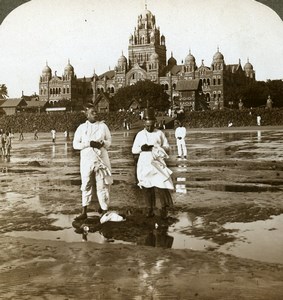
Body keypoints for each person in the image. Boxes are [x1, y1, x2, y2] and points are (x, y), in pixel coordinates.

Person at [132, 107, 174, 218]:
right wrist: (142, 148)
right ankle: (149, 208)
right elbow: (134, 150)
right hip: (145, 164)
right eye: (147, 126)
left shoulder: (159, 133)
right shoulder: (140, 135)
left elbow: (167, 147)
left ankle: (164, 208)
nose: (149, 128)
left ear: (155, 123)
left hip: (157, 163)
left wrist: (157, 148)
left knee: (161, 184)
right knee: (147, 186)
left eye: (151, 125)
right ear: (144, 124)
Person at [73, 103, 112, 220]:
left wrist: (103, 143)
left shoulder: (103, 126)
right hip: (87, 160)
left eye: (96, 112)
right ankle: (84, 211)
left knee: (103, 185)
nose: (96, 114)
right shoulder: (81, 128)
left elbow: (109, 142)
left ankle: (104, 210)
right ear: (86, 114)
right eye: (92, 112)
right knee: (86, 184)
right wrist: (88, 143)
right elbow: (75, 145)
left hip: (102, 159)